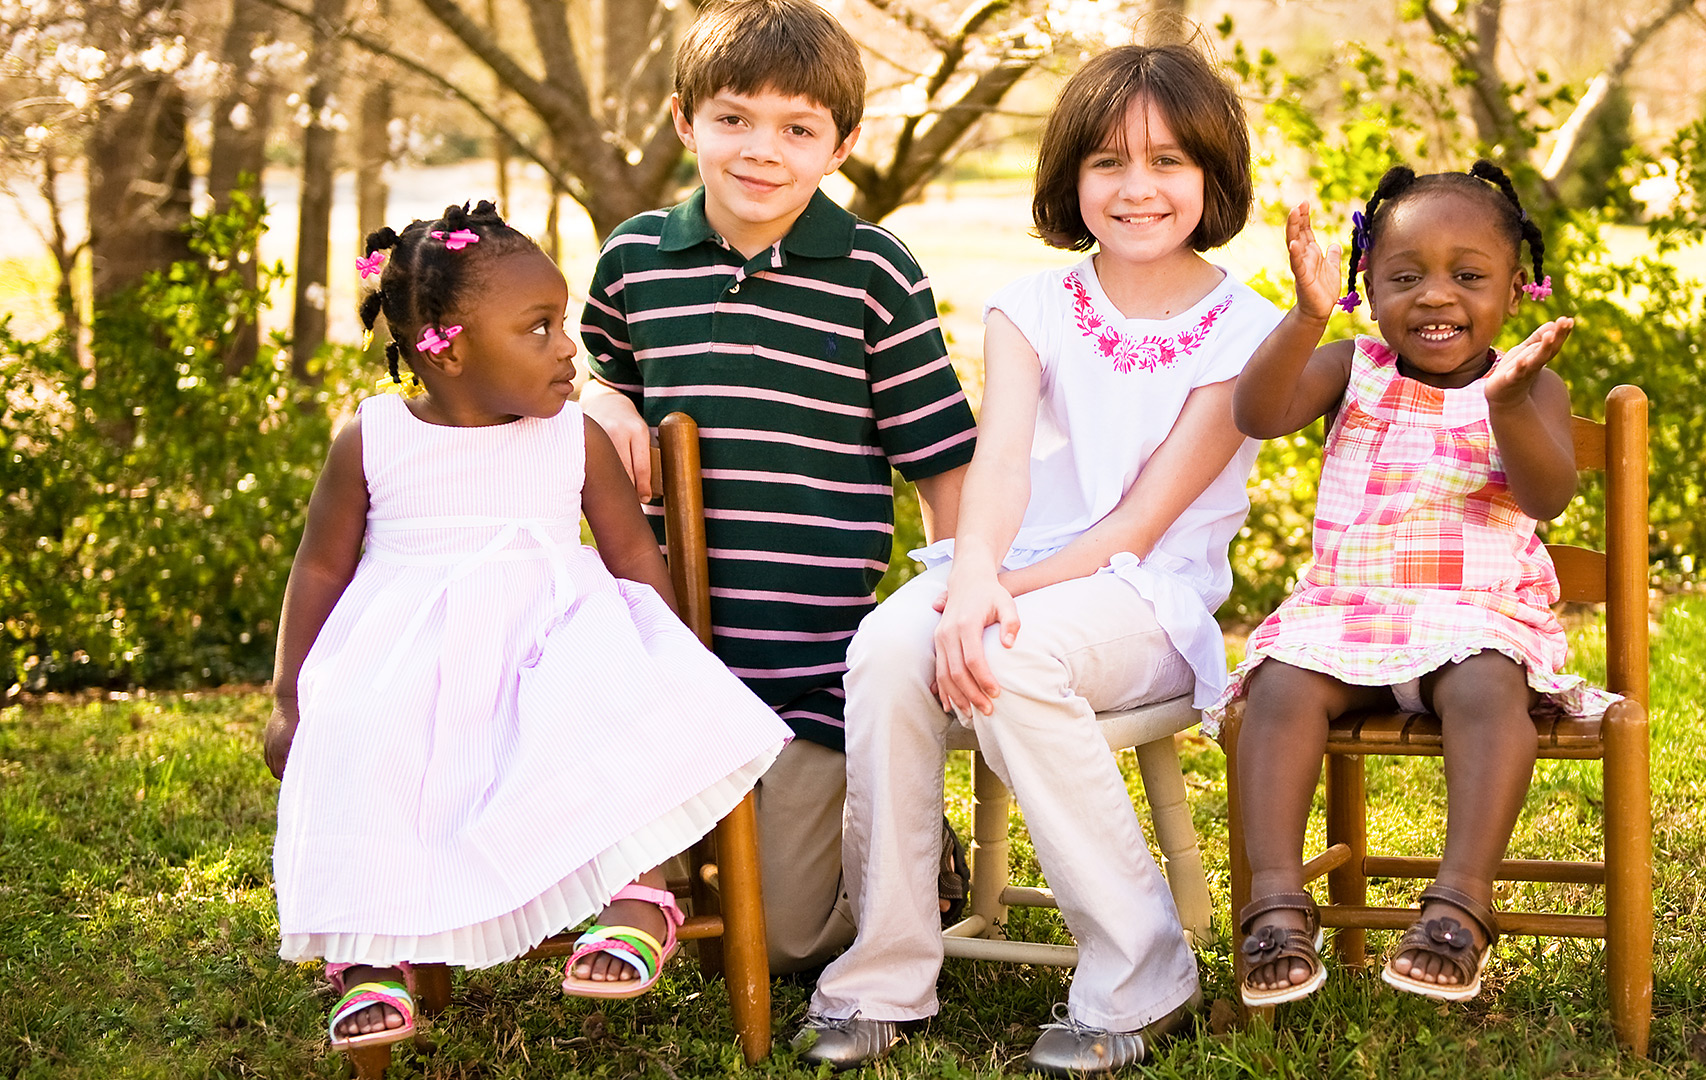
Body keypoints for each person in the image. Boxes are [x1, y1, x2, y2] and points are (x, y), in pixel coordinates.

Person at [795, 43, 1306, 1075]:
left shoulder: (1246, 330)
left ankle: (1141, 971)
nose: (1137, 188)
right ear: (1072, 177)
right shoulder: (1029, 306)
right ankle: (887, 967)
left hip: (1146, 601)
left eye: (1168, 162)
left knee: (1011, 652)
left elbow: (1139, 524)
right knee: (887, 648)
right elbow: (1001, 468)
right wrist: (969, 576)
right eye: (1108, 162)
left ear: (1213, 178)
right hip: (1007, 569)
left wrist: (988, 602)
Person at [264, 202, 791, 1053]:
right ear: (449, 345)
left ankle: (635, 894)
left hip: (555, 642)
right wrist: (291, 695)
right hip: (415, 655)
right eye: (539, 329)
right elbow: (320, 568)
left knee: (601, 694)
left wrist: (675, 675)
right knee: (360, 733)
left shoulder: (571, 439)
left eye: (563, 322)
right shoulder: (373, 436)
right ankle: (366, 951)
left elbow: (633, 561)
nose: (567, 347)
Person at [576, 0, 976, 976]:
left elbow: (938, 454)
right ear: (685, 121)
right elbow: (586, 376)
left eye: (798, 129)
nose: (763, 150)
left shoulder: (873, 273)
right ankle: (671, 872)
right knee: (658, 887)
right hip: (671, 655)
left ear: (840, 145)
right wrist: (606, 401)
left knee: (787, 943)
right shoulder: (635, 263)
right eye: (735, 119)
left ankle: (913, 853)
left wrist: (958, 592)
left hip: (811, 669)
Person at [1220, 161, 1619, 1008]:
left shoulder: (1533, 385)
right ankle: (1276, 905)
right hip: (1346, 620)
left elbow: (1547, 494)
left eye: (1467, 277)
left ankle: (1459, 903)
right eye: (1405, 277)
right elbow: (1258, 413)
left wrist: (1508, 404)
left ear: (1517, 289)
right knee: (1277, 691)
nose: (1435, 297)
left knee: (1486, 692)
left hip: (1474, 622)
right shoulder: (1350, 367)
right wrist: (1305, 316)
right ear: (1368, 286)